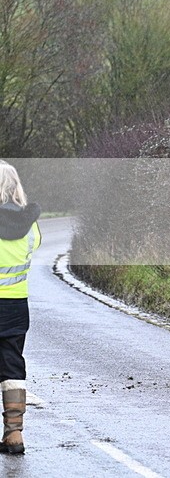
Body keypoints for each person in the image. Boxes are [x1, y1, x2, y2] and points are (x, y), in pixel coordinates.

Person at [0, 160, 41, 455]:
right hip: (16, 304)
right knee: (12, 363)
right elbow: (35, 245)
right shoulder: (30, 225)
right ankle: (14, 434)